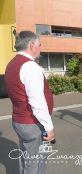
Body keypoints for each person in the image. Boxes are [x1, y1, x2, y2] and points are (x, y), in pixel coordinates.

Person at [4, 31, 55, 174]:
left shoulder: (11, 64)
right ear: (31, 45)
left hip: (20, 121)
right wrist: (48, 127)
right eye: (39, 45)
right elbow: (37, 100)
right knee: (36, 164)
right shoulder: (30, 66)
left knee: (27, 159)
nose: (40, 48)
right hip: (33, 123)